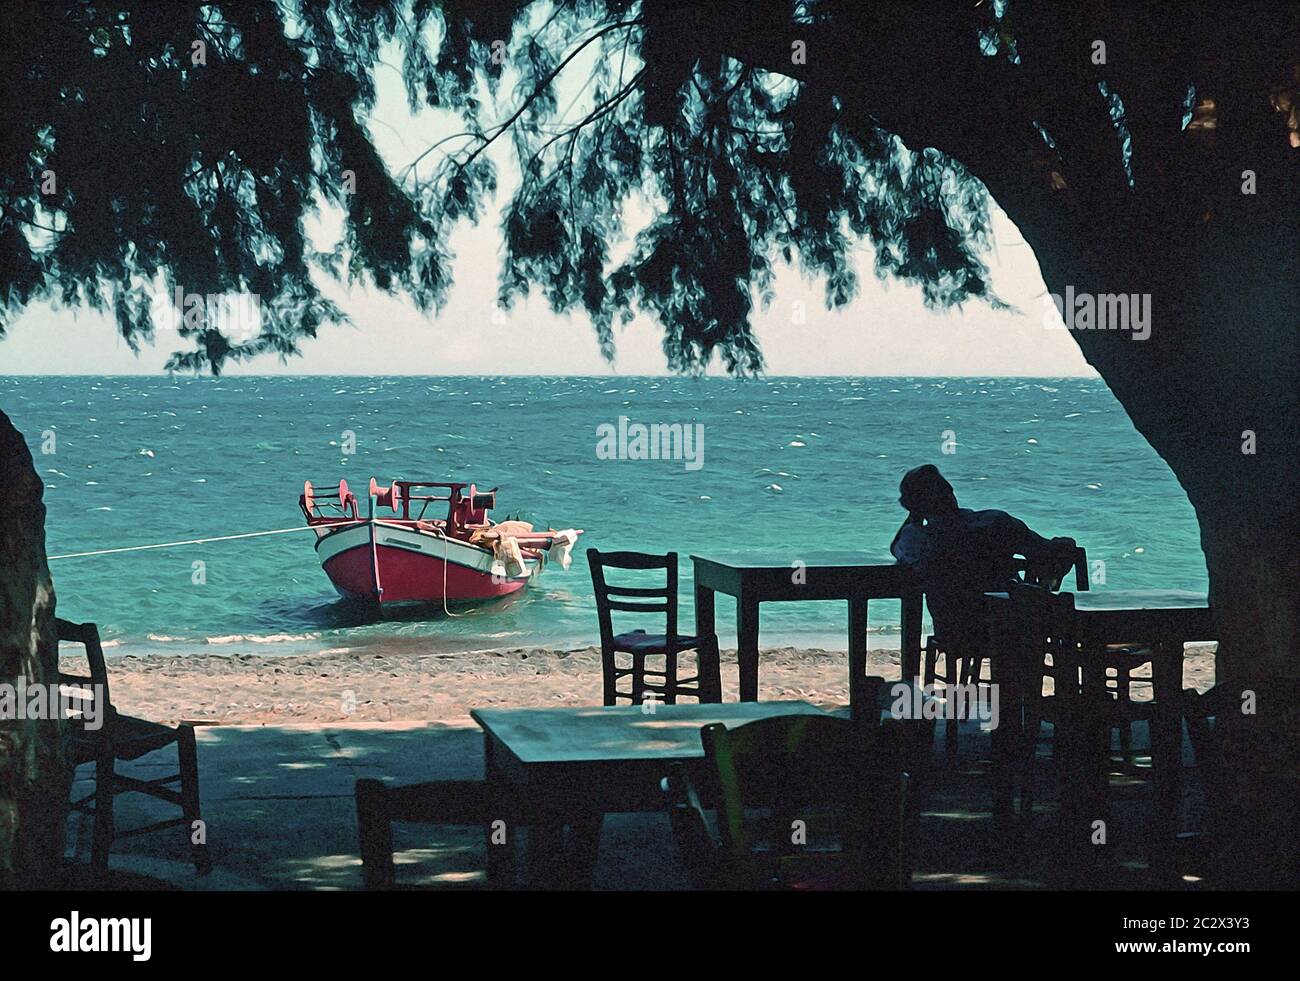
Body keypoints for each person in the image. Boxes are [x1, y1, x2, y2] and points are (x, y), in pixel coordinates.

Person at [889, 464, 1077, 646]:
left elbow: (896, 547)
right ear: (950, 491)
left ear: (914, 507)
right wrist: (1065, 546)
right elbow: (1048, 553)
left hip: (955, 629)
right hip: (1014, 626)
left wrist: (915, 516)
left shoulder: (917, 537)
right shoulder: (995, 522)